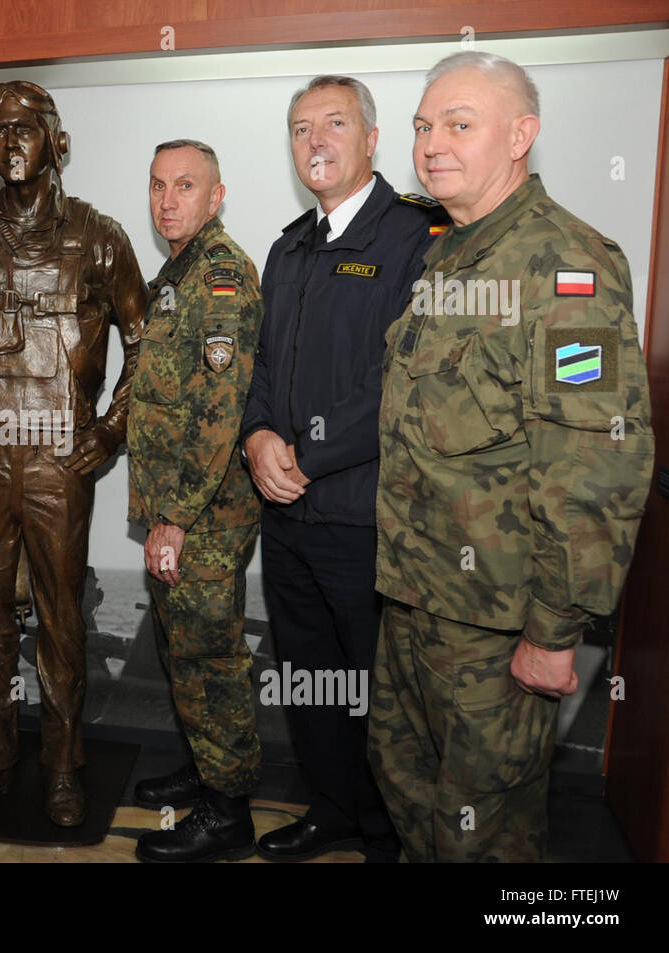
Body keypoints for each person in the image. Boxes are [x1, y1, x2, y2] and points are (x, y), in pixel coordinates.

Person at [370, 51, 654, 862]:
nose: (432, 143)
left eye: (459, 123)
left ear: (521, 134)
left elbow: (595, 462)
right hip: (415, 598)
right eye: (425, 126)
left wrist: (556, 629)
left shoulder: (567, 267)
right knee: (405, 785)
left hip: (496, 626)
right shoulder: (447, 256)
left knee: (482, 828)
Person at [0, 80, 148, 827]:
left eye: (27, 126)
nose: (11, 139)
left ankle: (62, 765)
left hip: (58, 461)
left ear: (59, 142)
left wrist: (109, 430)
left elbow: (147, 345)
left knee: (61, 622)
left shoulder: (100, 236)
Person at [238, 76, 446, 863]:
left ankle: (385, 834)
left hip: (364, 516)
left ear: (371, 138)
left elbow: (399, 381)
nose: (315, 140)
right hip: (286, 515)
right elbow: (261, 370)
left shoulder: (415, 240)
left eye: (333, 123)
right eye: (300, 128)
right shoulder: (288, 246)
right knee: (309, 680)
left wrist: (308, 455)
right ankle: (329, 809)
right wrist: (259, 437)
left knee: (377, 695)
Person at [128, 140, 264, 863]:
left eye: (185, 185)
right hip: (174, 511)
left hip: (203, 516)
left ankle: (229, 809)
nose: (167, 199)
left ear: (216, 196)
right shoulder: (176, 272)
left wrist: (175, 515)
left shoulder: (218, 275)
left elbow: (220, 410)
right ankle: (206, 767)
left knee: (210, 656)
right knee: (180, 649)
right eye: (157, 185)